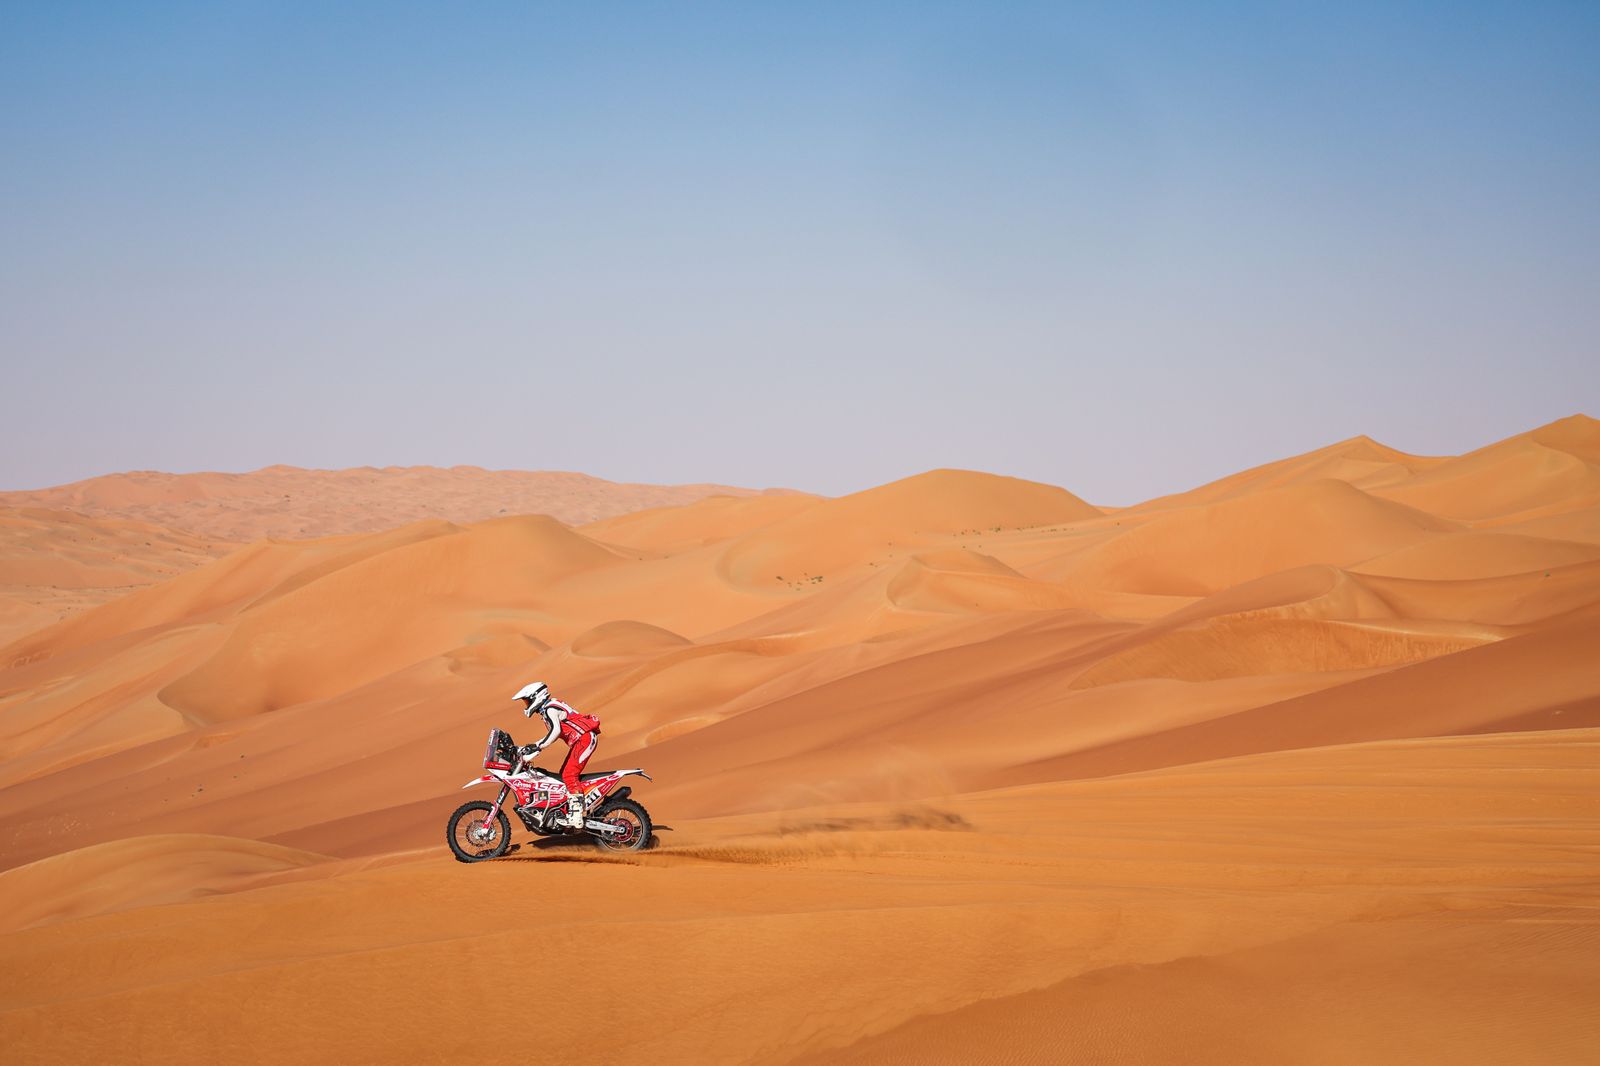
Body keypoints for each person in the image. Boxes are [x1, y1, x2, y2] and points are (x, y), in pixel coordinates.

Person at [513, 681, 601, 829]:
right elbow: (553, 734)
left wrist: (538, 746)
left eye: (527, 700)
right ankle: (569, 810)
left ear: (536, 697)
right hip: (581, 741)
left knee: (569, 775)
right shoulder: (549, 707)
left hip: (585, 739)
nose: (526, 704)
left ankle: (577, 816)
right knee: (563, 775)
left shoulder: (550, 709)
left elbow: (555, 732)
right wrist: (533, 746)